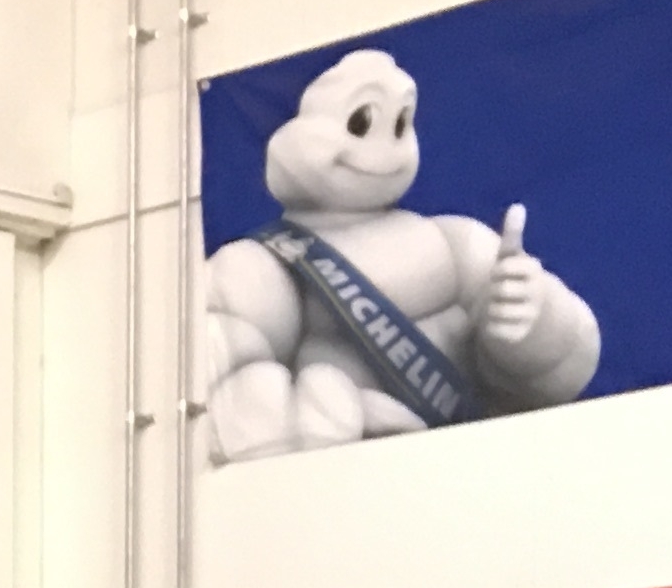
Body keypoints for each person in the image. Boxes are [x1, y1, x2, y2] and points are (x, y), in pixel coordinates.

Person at [201, 47, 600, 459]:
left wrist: (534, 324)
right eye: (361, 122)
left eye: (400, 124)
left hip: (471, 466)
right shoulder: (259, 267)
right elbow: (223, 387)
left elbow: (565, 363)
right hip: (352, 479)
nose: (385, 145)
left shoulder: (457, 240)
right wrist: (333, 418)